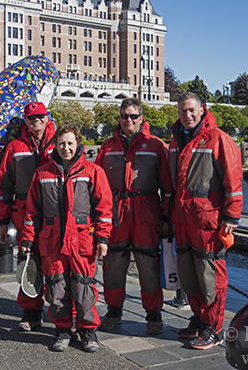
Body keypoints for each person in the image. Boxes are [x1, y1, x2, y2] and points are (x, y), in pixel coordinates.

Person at [21, 125, 113, 353]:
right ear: (56, 145)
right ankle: (62, 330)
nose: (66, 148)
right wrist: (27, 239)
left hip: (82, 241)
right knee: (56, 290)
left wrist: (102, 238)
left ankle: (87, 331)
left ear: (78, 144)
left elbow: (104, 208)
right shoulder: (42, 174)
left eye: (70, 143)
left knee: (83, 289)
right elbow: (32, 211)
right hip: (51, 242)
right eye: (62, 143)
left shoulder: (93, 171)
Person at [169, 92, 242, 350]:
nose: (187, 115)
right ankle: (200, 319)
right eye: (182, 111)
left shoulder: (218, 140)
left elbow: (233, 181)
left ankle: (214, 328)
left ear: (202, 110)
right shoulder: (176, 140)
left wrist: (232, 216)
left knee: (212, 276)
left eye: (191, 110)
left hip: (209, 221)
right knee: (189, 273)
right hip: (183, 218)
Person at [95, 98, 172, 335]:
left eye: (133, 116)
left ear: (141, 118)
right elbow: (96, 185)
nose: (129, 120)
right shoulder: (107, 147)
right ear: (119, 118)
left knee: (148, 266)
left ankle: (153, 315)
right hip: (115, 213)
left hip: (146, 212)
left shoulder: (156, 145)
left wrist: (167, 218)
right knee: (113, 265)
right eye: (124, 116)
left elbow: (168, 187)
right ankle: (114, 311)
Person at [0, 102, 56, 332]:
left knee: (56, 264)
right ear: (25, 121)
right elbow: (3, 185)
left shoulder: (59, 142)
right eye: (31, 118)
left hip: (53, 215)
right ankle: (30, 312)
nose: (36, 121)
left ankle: (60, 313)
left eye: (40, 117)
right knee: (28, 262)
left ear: (46, 117)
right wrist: (3, 221)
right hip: (24, 215)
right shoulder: (15, 147)